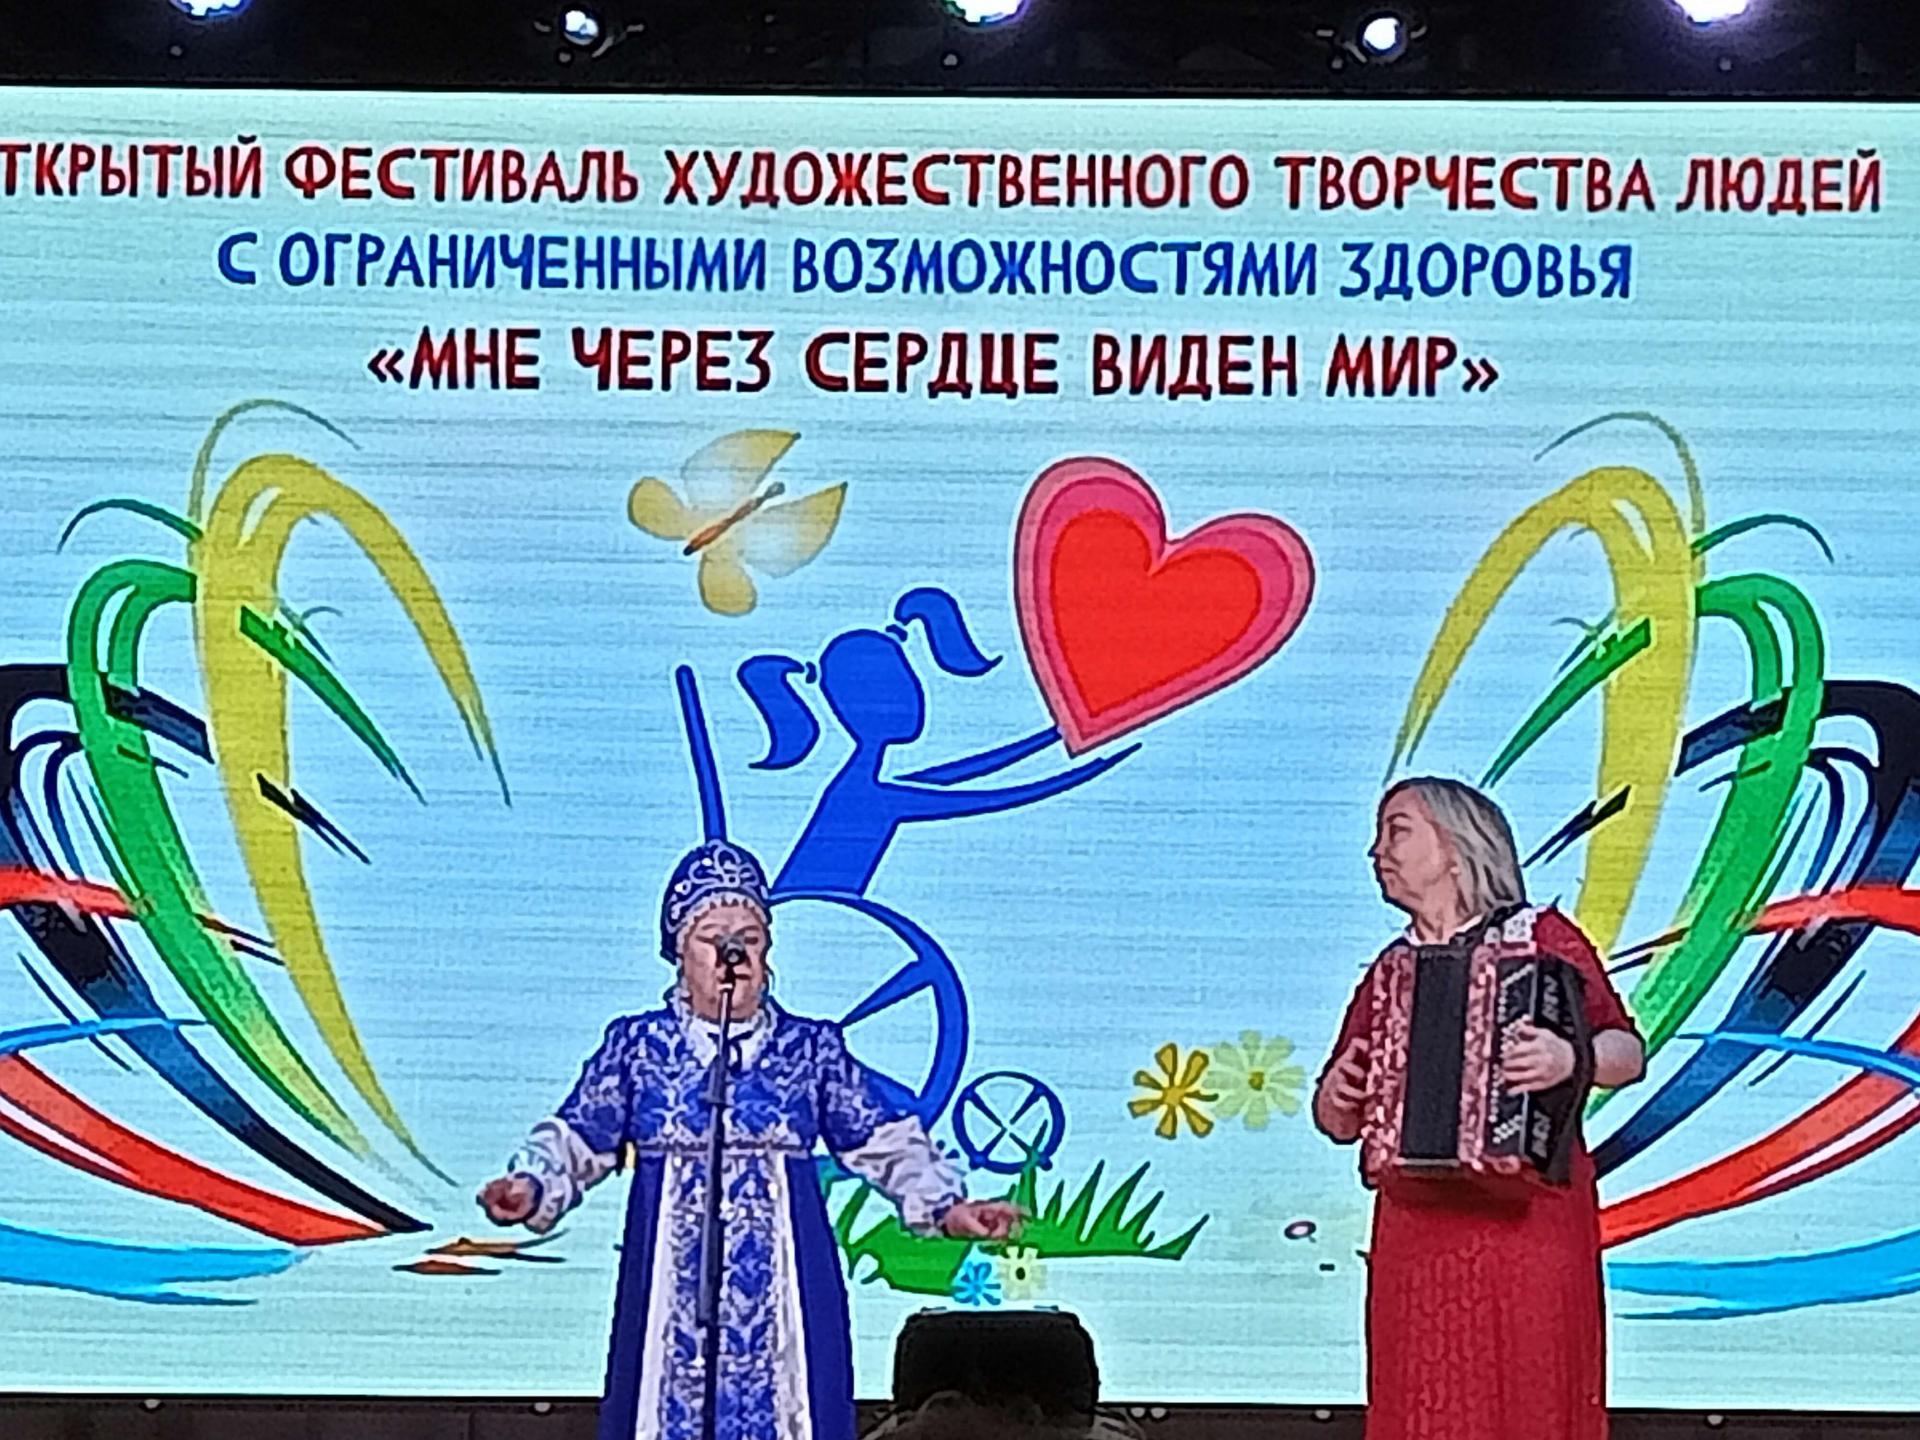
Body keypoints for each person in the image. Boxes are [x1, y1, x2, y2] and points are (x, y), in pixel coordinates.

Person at [478, 838, 1021, 1440]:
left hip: (785, 1285)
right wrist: (531, 1185)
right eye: (714, 939)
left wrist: (947, 1207)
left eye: (750, 940)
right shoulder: (638, 1048)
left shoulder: (809, 1050)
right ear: (680, 952)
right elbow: (580, 1135)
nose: (732, 956)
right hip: (669, 1289)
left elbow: (883, 1139)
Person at [1313, 778, 1646, 1440]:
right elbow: (1336, 1118)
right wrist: (1337, 1096)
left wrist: (1569, 1056)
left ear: (1457, 846)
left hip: (1529, 1222)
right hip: (1419, 1227)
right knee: (1421, 1401)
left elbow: (1627, 1052)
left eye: (1397, 831)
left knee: (1529, 1393)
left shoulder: (1542, 938)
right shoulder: (1390, 970)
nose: (1378, 851)